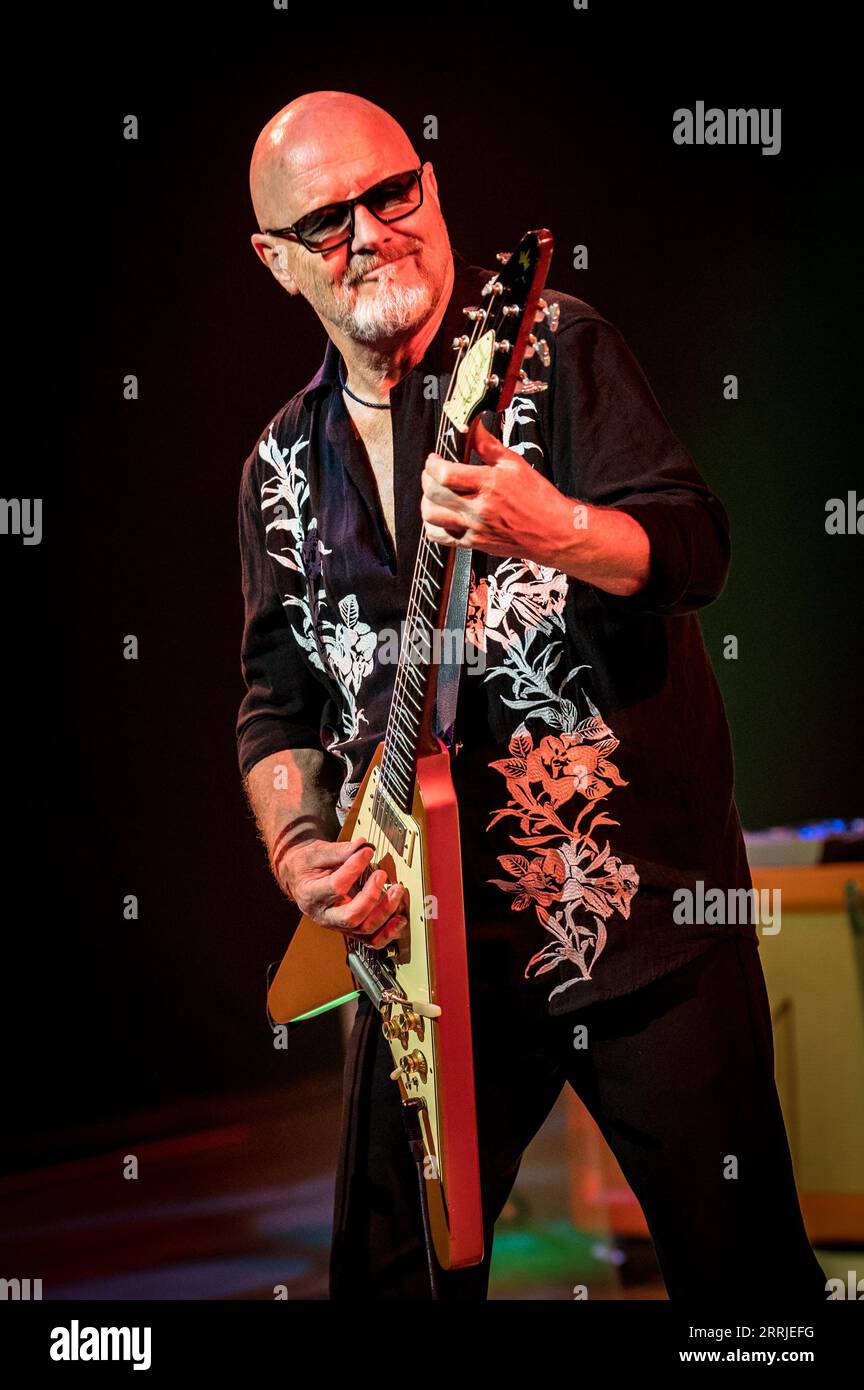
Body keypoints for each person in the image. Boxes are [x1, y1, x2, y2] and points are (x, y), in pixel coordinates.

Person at [236, 89, 827, 1300]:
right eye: (327, 220)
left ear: (433, 191)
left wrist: (551, 526)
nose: (371, 234)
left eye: (391, 193)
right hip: (422, 960)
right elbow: (274, 702)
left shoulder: (553, 349)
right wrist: (300, 846)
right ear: (277, 261)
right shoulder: (278, 468)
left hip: (638, 933)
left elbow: (696, 548)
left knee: (748, 1281)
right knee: (388, 1279)